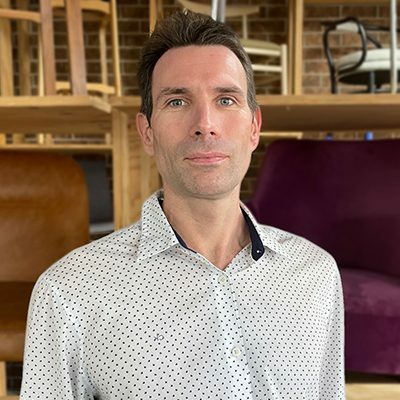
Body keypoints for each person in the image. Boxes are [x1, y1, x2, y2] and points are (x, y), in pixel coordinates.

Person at [21, 11, 345, 400]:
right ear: (147, 132)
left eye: (226, 99)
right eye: (177, 101)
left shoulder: (316, 275)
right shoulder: (70, 291)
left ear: (254, 127)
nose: (205, 123)